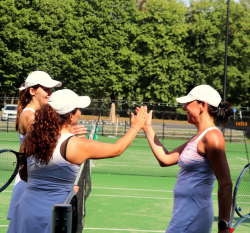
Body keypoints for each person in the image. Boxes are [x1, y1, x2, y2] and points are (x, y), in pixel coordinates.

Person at [7, 89, 148, 233]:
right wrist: (136, 127)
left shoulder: (32, 138)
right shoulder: (76, 145)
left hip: (25, 211)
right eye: (79, 108)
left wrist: (58, 184)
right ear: (71, 115)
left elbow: (24, 175)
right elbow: (117, 149)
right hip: (55, 217)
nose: (81, 111)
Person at [140, 85, 233, 233]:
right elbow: (165, 159)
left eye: (187, 104)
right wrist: (147, 127)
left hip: (194, 216)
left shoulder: (213, 137)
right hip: (183, 215)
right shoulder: (198, 137)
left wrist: (224, 226)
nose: (183, 108)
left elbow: (226, 184)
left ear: (202, 105)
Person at [7, 71, 87, 220]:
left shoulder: (38, 114)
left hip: (34, 181)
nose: (50, 93)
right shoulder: (30, 115)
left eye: (51, 89)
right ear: (32, 91)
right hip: (30, 182)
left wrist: (66, 133)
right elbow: (42, 145)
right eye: (46, 89)